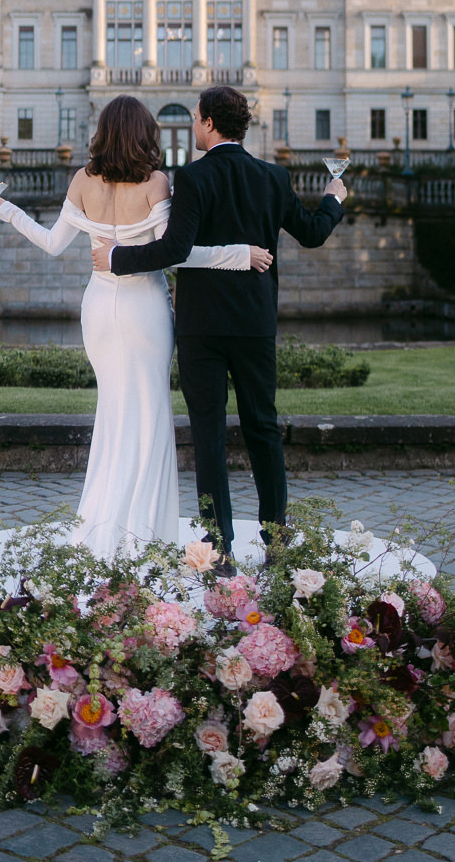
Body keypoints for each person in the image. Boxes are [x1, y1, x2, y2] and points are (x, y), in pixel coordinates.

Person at [0, 95, 273, 560]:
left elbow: (54, 244)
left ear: (103, 131)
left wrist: (8, 211)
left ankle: (104, 519)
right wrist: (240, 254)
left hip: (98, 306)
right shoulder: (156, 182)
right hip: (144, 310)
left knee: (112, 412)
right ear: (145, 134)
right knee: (151, 414)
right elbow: (178, 251)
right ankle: (147, 531)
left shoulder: (82, 179)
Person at [92, 84, 345, 562]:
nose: (192, 126)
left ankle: (219, 546)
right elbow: (312, 232)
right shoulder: (273, 175)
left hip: (201, 328)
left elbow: (175, 251)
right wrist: (333, 197)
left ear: (208, 122)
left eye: (195, 118)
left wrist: (116, 258)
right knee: (263, 430)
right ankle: (276, 540)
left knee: (208, 435)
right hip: (253, 324)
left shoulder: (192, 177)